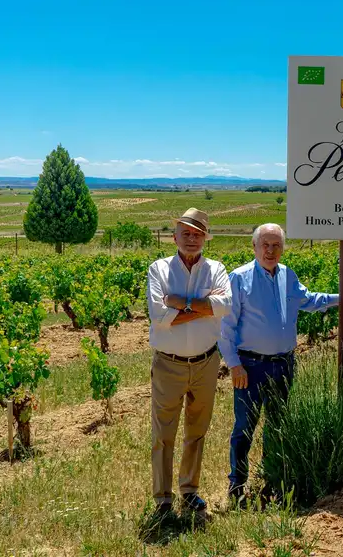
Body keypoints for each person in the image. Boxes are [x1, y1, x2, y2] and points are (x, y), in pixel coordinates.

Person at [219, 223, 339, 509]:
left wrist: (342, 298)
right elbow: (225, 327)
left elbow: (309, 300)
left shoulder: (287, 275)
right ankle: (237, 486)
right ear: (255, 247)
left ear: (283, 248)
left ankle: (271, 482)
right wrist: (234, 366)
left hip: (284, 364)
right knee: (244, 428)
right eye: (266, 245)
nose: (271, 251)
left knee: (277, 426)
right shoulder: (239, 278)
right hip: (250, 366)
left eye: (276, 246)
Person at [145, 208, 232, 520]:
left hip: (207, 363)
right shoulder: (158, 270)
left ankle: (189, 490)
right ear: (174, 238)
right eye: (186, 233)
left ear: (206, 238)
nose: (192, 239)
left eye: (198, 234)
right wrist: (205, 306)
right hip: (169, 364)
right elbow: (159, 317)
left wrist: (181, 303)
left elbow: (225, 306)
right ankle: (162, 499)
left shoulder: (217, 269)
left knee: (197, 430)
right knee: (163, 433)